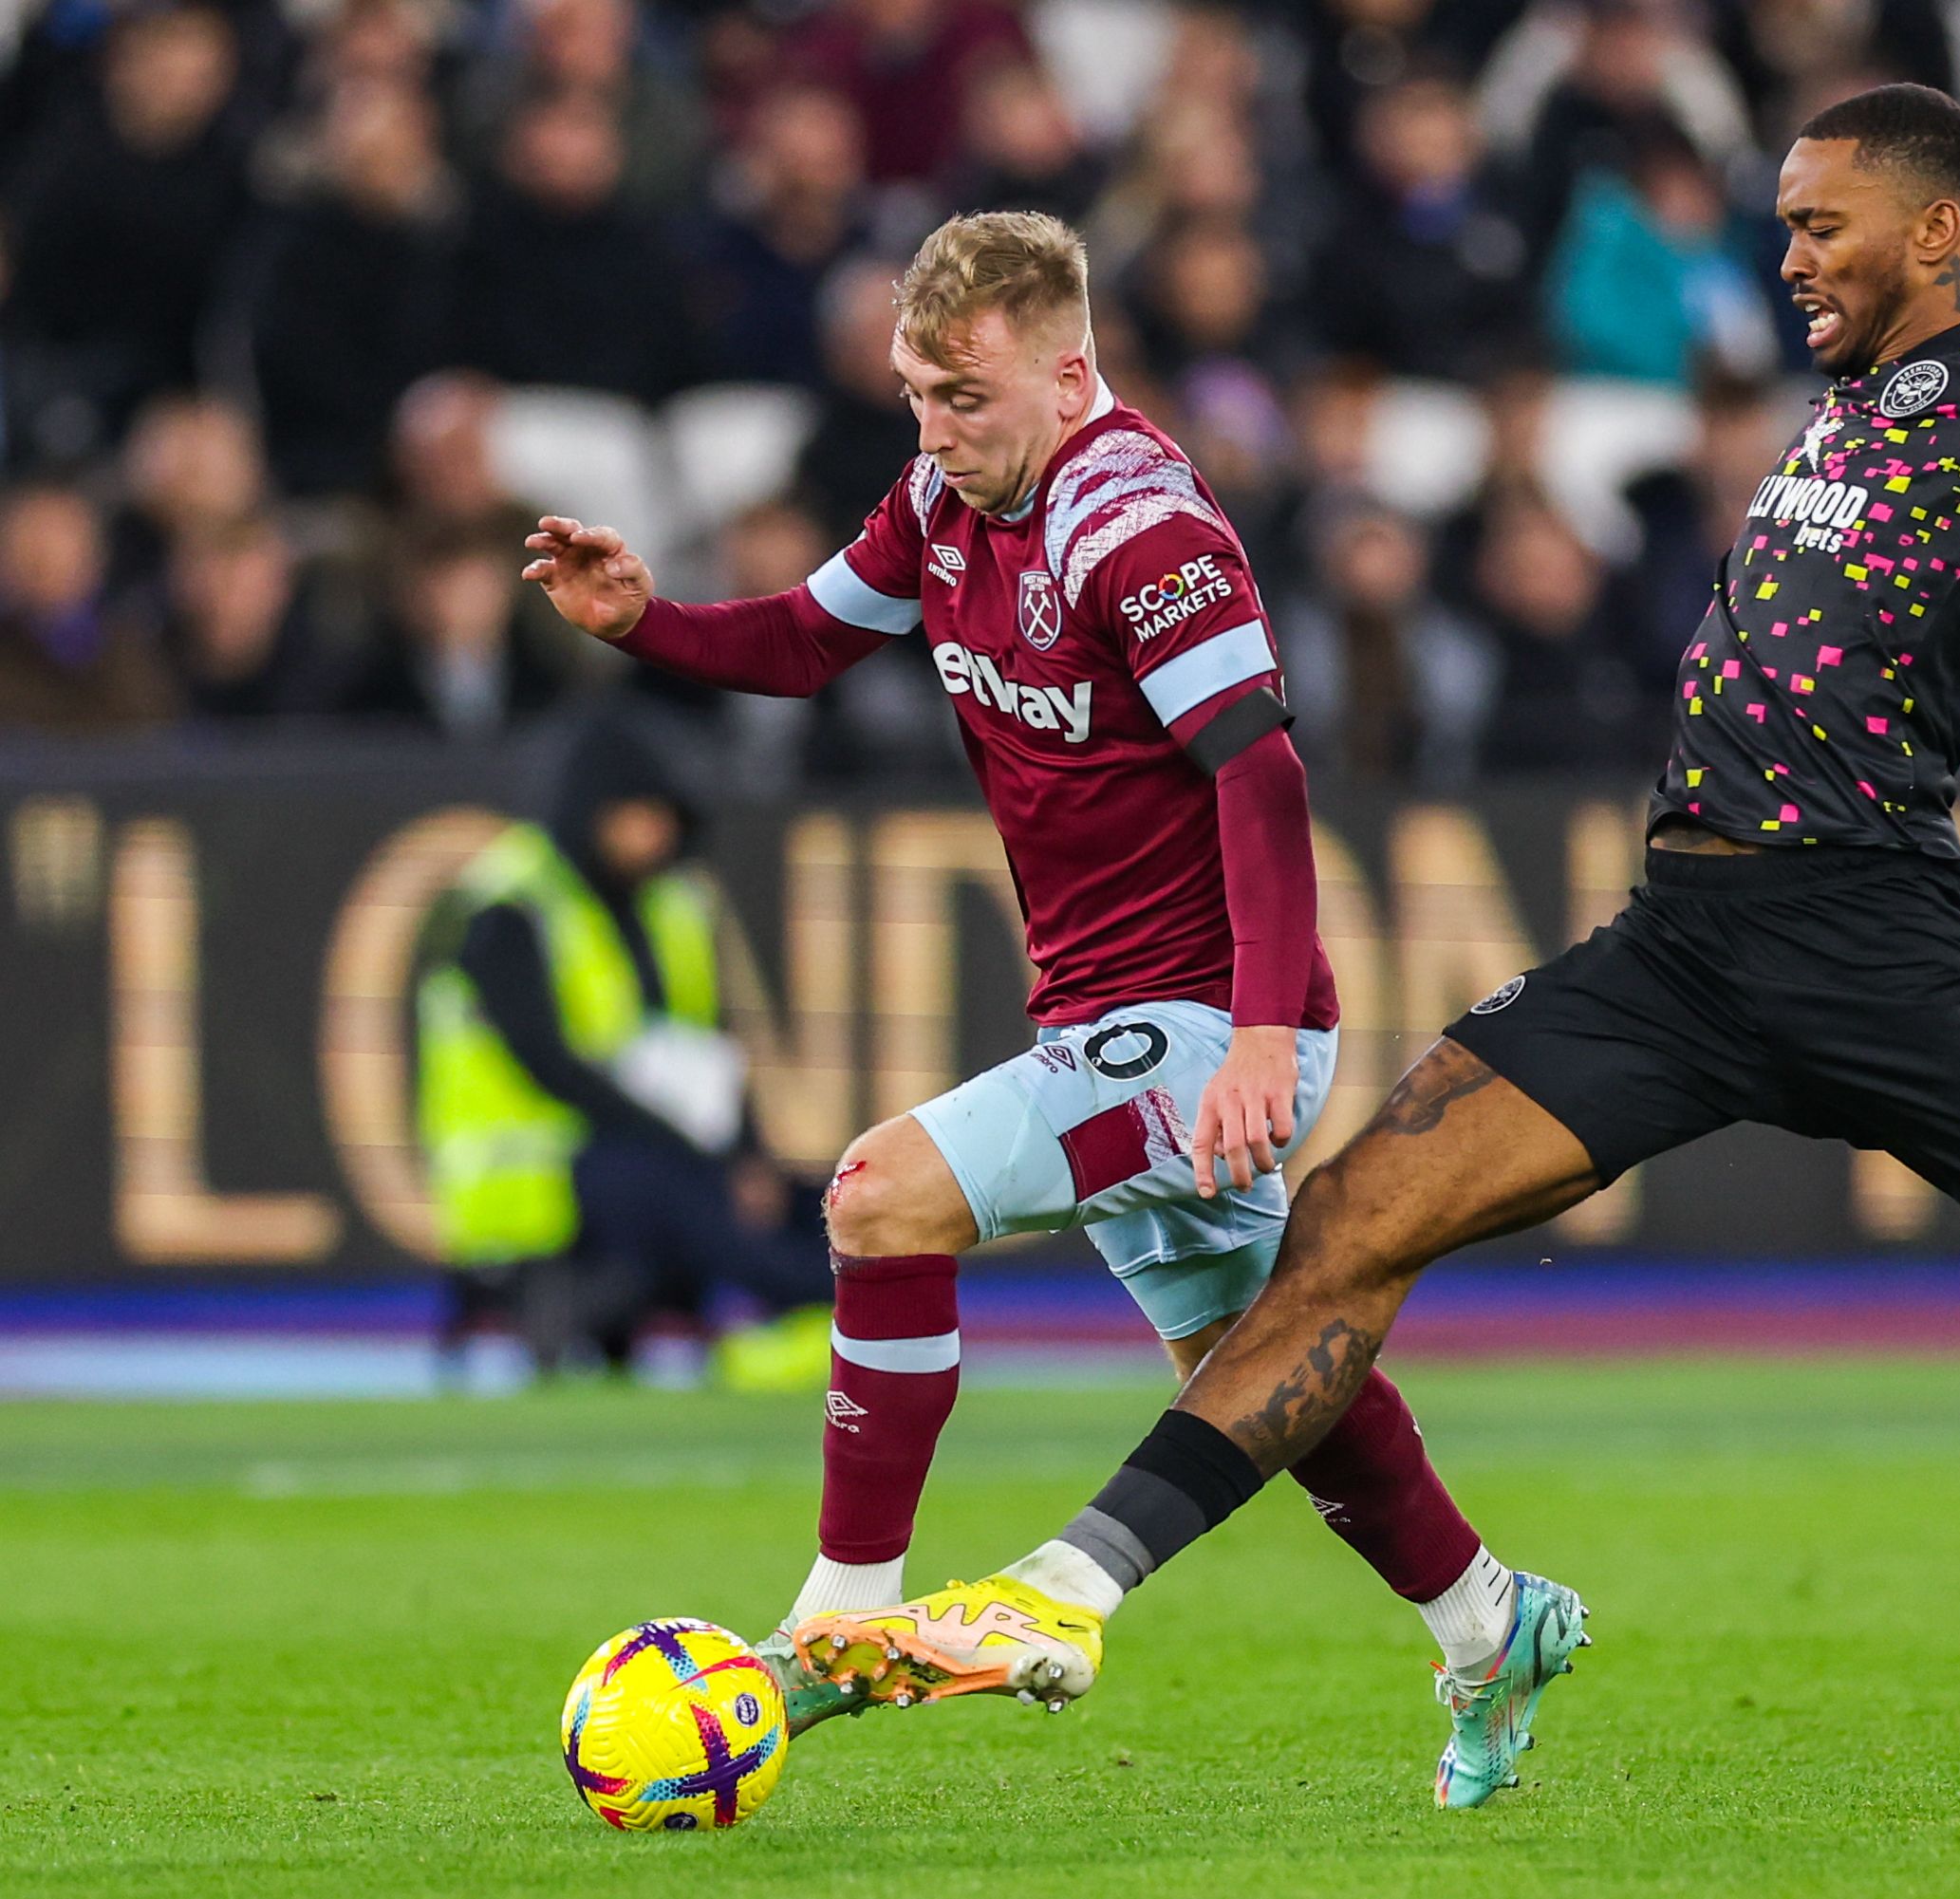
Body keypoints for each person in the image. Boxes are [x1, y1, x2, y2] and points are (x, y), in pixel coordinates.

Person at [854, 85, 1960, 1785]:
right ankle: (1070, 1588)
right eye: (1787, 224)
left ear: (1943, 231)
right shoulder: (1847, 395)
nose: (1791, 254)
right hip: (1682, 940)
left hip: (1878, 941)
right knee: (1346, 1228)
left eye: (1826, 226)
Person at [519, 211, 1563, 1805]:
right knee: (1264, 1365)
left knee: (881, 1194)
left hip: (1214, 1018)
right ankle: (1494, 1621)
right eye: (915, 396)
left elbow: (1262, 775)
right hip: (1105, 1014)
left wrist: (1269, 1038)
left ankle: (838, 1616)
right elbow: (809, 639)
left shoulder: (1140, 531)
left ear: (1070, 372)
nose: (935, 433)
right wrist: (646, 624)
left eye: (966, 397)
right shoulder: (947, 494)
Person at [415, 716, 828, 1388]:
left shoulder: (673, 906)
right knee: (677, 1191)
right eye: (638, 815)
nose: (655, 835)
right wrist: (696, 1148)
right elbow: (549, 1065)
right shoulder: (508, 907)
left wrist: (745, 1153)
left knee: (798, 1192)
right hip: (530, 1175)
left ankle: (836, 1306)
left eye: (663, 817)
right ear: (591, 810)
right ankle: (814, 1311)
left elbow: (713, 1054)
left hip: (639, 1149)